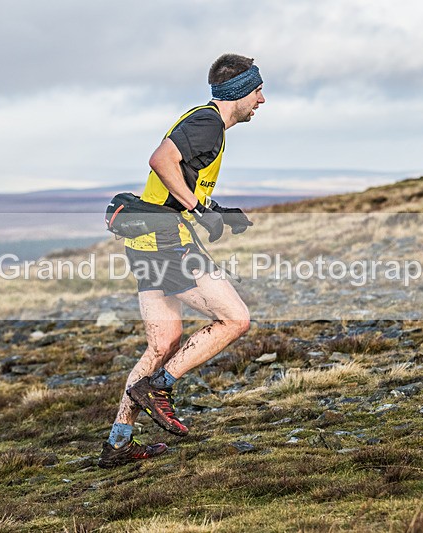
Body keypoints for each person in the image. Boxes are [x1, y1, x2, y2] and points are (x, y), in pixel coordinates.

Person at [98, 53, 265, 468]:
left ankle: (119, 440)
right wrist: (199, 209)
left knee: (164, 341)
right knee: (235, 318)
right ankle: (162, 386)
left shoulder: (205, 123)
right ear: (239, 92)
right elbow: (160, 160)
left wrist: (217, 210)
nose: (262, 100)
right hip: (165, 240)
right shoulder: (208, 125)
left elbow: (176, 177)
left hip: (147, 240)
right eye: (258, 91)